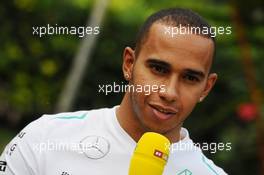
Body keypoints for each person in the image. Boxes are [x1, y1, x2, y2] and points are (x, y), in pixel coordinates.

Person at [0, 8, 228, 175]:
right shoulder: (45, 138)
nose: (169, 92)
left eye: (190, 78)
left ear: (206, 88)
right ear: (129, 63)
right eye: (158, 69)